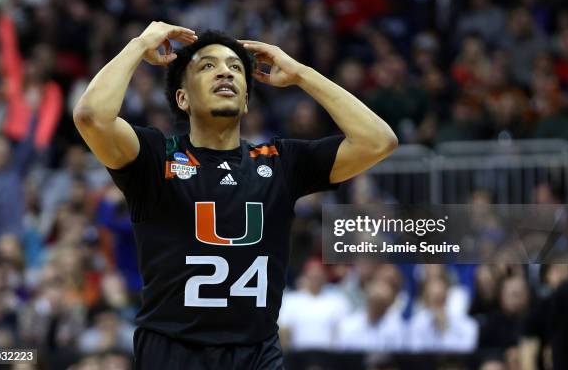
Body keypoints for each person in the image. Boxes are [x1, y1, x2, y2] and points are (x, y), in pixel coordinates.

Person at [73, 21, 397, 369]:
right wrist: (138, 45)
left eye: (236, 67)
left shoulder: (280, 163)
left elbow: (378, 141)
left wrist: (302, 74)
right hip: (172, 354)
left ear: (245, 100)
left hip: (257, 354)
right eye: (207, 66)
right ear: (183, 98)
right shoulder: (155, 157)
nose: (225, 72)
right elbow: (92, 116)